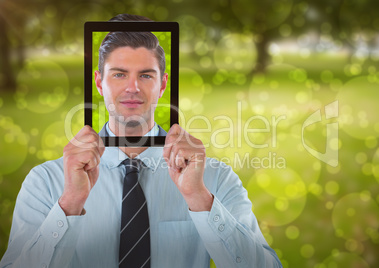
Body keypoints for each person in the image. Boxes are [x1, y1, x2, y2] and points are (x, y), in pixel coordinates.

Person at [0, 14, 282, 268]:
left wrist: (200, 199)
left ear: (163, 84)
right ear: (99, 83)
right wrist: (69, 204)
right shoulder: (45, 182)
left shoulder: (215, 179)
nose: (132, 87)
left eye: (145, 75)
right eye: (119, 74)